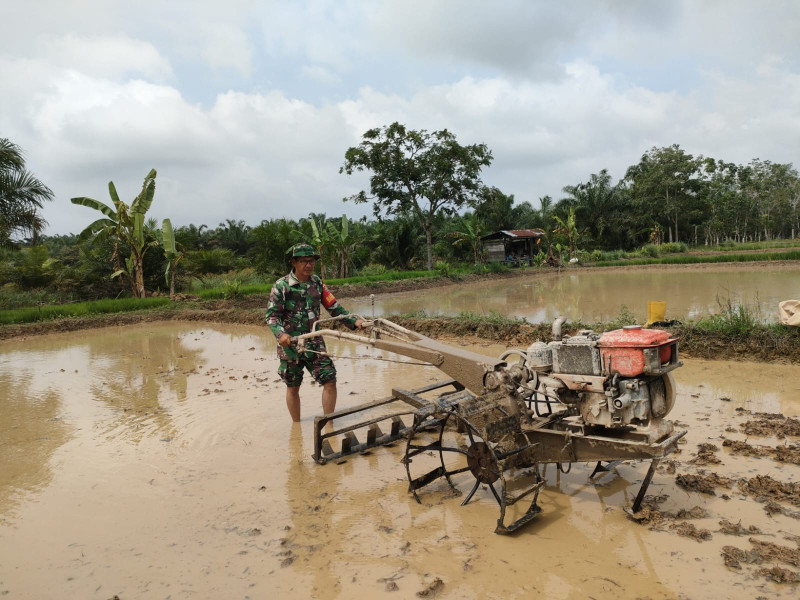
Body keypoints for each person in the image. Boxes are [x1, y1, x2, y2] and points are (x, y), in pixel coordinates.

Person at [266, 243, 364, 421]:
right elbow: (272, 317)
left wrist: (355, 321)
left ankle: (328, 425)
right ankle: (296, 426)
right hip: (291, 346)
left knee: (330, 380)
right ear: (294, 262)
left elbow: (333, 307)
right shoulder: (281, 286)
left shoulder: (317, 283)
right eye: (304, 261)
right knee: (293, 387)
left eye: (311, 261)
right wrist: (281, 335)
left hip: (314, 343)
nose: (309, 265)